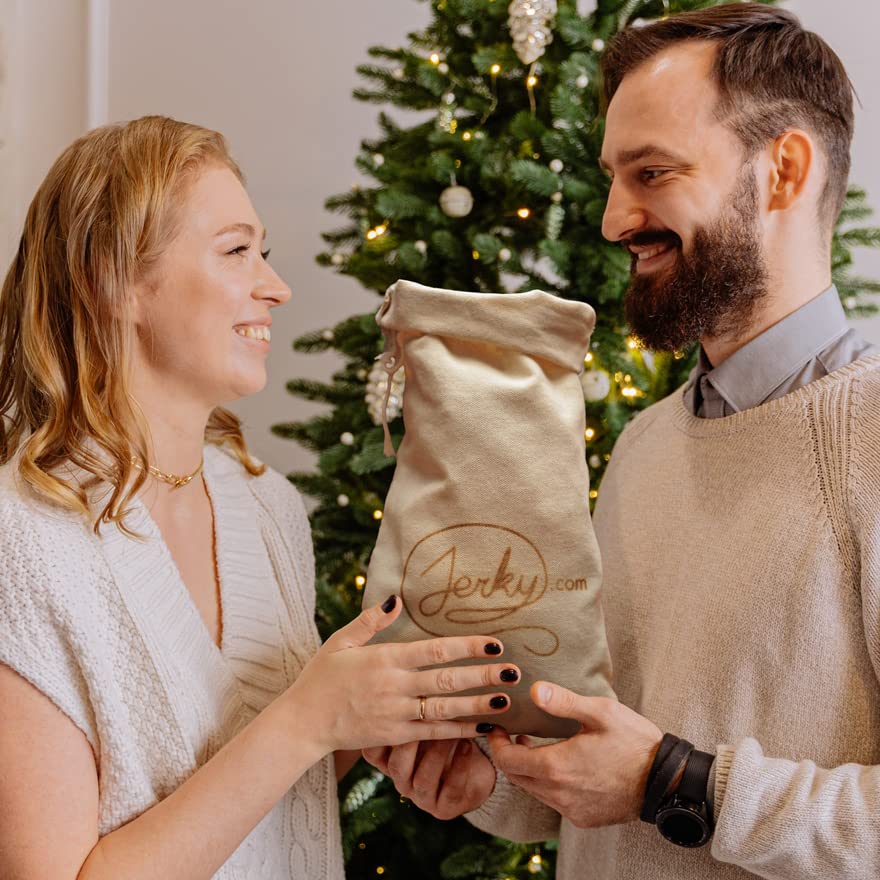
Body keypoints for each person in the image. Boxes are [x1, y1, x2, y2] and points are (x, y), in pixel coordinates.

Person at [365, 4, 880, 878]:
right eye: (613, 177)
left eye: (652, 173)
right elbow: (597, 767)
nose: (613, 219)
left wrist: (671, 781)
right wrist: (489, 782)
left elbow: (652, 778)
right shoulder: (645, 444)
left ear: (784, 169)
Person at [0, 116, 521, 880]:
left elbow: (274, 785)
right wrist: (309, 720)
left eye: (262, 253)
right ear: (110, 281)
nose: (274, 287)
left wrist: (375, 724)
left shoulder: (266, 504)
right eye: (236, 251)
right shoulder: (22, 541)